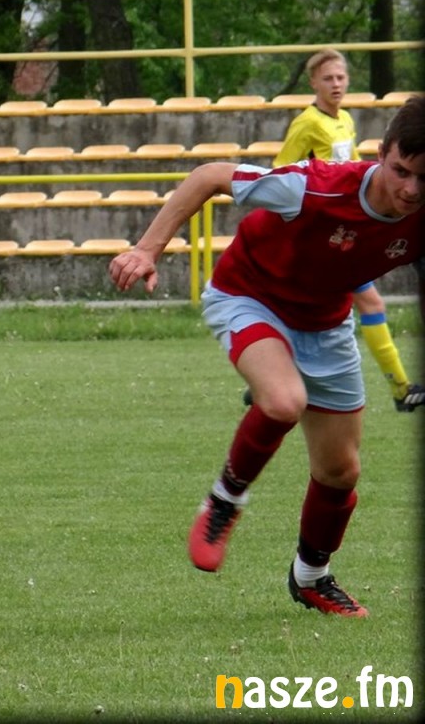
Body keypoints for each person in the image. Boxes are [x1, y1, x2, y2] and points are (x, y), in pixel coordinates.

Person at [108, 95, 425, 617]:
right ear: (381, 154)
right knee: (282, 401)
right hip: (250, 295)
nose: (411, 189)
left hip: (325, 323)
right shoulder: (314, 187)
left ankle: (311, 577)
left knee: (341, 471)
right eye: (401, 171)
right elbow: (209, 176)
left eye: (424, 178)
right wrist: (147, 249)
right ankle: (224, 501)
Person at [272, 48, 422, 411]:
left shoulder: (344, 120)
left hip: (348, 226)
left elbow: (354, 168)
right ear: (313, 83)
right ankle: (401, 389)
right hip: (322, 227)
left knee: (330, 309)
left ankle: (282, 374)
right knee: (366, 303)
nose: (336, 84)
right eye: (328, 78)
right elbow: (281, 170)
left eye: (340, 77)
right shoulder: (307, 123)